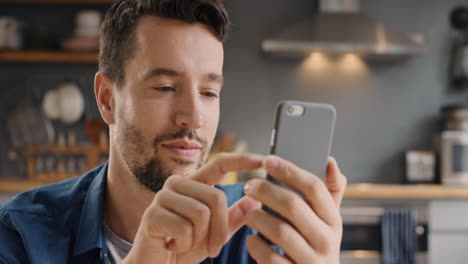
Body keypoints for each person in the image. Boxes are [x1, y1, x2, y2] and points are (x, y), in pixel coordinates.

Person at [0, 0, 347, 263]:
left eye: (209, 93)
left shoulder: (258, 232)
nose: (193, 117)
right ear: (107, 99)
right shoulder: (22, 234)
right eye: (165, 87)